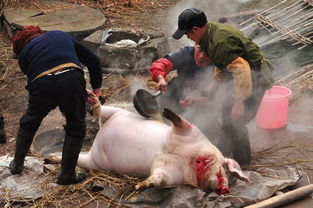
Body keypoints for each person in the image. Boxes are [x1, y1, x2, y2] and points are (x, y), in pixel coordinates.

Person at [172, 8, 274, 165]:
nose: (189, 38)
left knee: (235, 121)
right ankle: (224, 154)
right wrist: (211, 88)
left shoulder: (219, 41)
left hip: (254, 79)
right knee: (227, 116)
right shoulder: (210, 35)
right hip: (241, 80)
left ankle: (243, 164)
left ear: (196, 29)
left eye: (188, 34)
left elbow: (242, 70)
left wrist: (239, 103)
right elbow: (224, 63)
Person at [10, 25, 102, 185]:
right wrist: (96, 88)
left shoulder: (24, 55)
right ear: (40, 33)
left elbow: (37, 77)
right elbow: (93, 61)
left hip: (42, 83)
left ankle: (17, 165)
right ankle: (67, 175)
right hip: (72, 78)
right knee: (76, 127)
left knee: (29, 122)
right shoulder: (59, 35)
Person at [150, 44, 213, 114]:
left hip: (204, 99)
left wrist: (200, 101)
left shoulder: (221, 62)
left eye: (207, 53)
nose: (201, 56)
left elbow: (222, 98)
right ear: (195, 45)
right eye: (199, 49)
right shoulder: (186, 53)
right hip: (178, 88)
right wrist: (160, 78)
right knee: (166, 93)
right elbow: (161, 63)